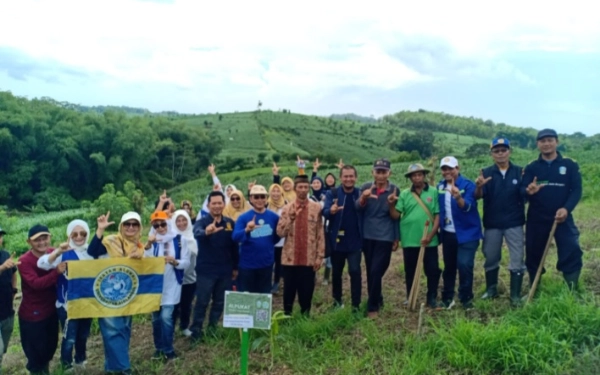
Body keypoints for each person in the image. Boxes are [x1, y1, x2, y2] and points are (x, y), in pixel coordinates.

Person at [521, 129, 583, 290]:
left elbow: (576, 190)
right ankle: (534, 287)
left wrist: (567, 209)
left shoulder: (569, 165)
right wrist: (529, 191)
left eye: (550, 140)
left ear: (557, 142)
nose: (546, 143)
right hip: (537, 217)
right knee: (533, 253)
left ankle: (572, 288)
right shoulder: (531, 167)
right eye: (542, 141)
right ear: (537, 144)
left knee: (571, 249)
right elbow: (522, 190)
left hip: (562, 216)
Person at [88, 211, 145, 375]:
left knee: (124, 329)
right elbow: (93, 251)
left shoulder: (139, 247)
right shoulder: (110, 241)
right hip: (107, 296)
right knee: (113, 330)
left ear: (139, 227)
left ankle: (112, 368)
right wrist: (100, 230)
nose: (131, 227)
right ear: (121, 226)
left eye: (135, 224)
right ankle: (124, 369)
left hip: (127, 296)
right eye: (127, 224)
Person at [37, 220, 95, 370]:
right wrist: (57, 253)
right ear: (69, 235)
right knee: (69, 337)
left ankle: (80, 360)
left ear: (87, 234)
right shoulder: (64, 253)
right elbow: (42, 263)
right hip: (67, 304)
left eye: (82, 233)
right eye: (74, 234)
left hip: (87, 302)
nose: (78, 237)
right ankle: (66, 364)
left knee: (83, 335)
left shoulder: (91, 252)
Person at [475, 138, 526, 305]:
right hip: (492, 223)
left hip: (514, 222)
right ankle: (491, 290)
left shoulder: (520, 172)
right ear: (492, 154)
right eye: (496, 151)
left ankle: (515, 295)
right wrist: (479, 186)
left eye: (503, 150)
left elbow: (524, 195)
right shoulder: (486, 172)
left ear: (509, 151)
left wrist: (530, 190)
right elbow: (478, 196)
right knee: (491, 256)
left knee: (517, 257)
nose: (500, 153)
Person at [389, 164, 442, 309]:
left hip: (429, 240)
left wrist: (430, 236)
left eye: (419, 174)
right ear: (410, 178)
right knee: (410, 271)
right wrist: (391, 205)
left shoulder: (434, 192)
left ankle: (431, 298)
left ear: (424, 175)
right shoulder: (405, 194)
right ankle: (410, 296)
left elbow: (437, 216)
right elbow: (395, 215)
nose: (417, 177)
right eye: (414, 175)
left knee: (432, 270)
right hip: (409, 239)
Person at [191, 191, 239, 343]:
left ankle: (212, 328)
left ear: (224, 204)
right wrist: (207, 232)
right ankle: (196, 331)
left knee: (219, 301)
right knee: (202, 302)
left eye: (220, 203)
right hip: (206, 270)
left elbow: (234, 247)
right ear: (208, 205)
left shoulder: (230, 223)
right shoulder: (202, 222)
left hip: (225, 270)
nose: (217, 206)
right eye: (214, 203)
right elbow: (196, 233)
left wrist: (235, 267)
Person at [357, 158, 400, 319]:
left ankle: (372, 306)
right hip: (367, 235)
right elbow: (357, 208)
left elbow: (396, 216)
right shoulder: (365, 188)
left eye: (384, 172)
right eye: (378, 171)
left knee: (377, 270)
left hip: (385, 236)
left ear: (389, 173)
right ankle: (376, 299)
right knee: (370, 270)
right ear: (372, 172)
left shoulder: (394, 189)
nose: (381, 175)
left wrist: (396, 236)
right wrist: (363, 198)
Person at [437, 156, 483, 310]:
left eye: (451, 168)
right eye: (444, 169)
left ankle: (466, 297)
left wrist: (458, 198)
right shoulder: (440, 186)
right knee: (449, 266)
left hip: (468, 233)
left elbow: (468, 206)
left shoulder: (467, 185)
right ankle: (447, 297)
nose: (447, 172)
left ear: (458, 168)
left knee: (464, 264)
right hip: (448, 234)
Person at [276, 175, 325, 316]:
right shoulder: (286, 208)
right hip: (290, 258)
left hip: (309, 258)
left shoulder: (316, 208)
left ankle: (305, 317)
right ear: (295, 189)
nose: (303, 190)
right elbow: (280, 233)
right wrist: (290, 220)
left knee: (307, 291)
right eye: (300, 187)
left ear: (308, 188)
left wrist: (319, 256)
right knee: (289, 291)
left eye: (305, 187)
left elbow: (320, 233)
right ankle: (287, 316)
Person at [145, 210, 190, 361]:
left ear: (168, 223)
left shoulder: (179, 240)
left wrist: (174, 261)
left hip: (172, 285)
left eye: (163, 224)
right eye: (156, 225)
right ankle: (159, 349)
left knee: (166, 317)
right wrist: (149, 244)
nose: (160, 228)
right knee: (156, 319)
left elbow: (186, 262)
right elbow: (146, 262)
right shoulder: (152, 242)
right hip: (156, 286)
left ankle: (169, 351)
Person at [17, 225, 62, 375]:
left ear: (50, 237)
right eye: (37, 240)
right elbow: (36, 284)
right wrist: (57, 272)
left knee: (49, 348)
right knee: (36, 355)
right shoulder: (24, 261)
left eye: (45, 238)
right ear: (29, 241)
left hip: (51, 310)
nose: (42, 242)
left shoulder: (53, 253)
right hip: (33, 314)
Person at [323, 165, 362, 310]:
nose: (348, 179)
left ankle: (356, 304)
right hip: (337, 242)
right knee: (337, 273)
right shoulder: (332, 194)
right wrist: (331, 210)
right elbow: (325, 211)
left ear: (356, 177)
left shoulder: (360, 193)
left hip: (355, 241)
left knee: (355, 271)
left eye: (351, 176)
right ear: (341, 178)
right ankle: (337, 301)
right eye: (345, 176)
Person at [233, 185, 280, 293]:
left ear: (266, 198)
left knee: (263, 296)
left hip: (266, 264)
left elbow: (277, 236)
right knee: (247, 295)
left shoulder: (273, 217)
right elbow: (235, 237)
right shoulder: (244, 217)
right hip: (247, 265)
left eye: (262, 197)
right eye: (256, 197)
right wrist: (247, 230)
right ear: (251, 199)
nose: (260, 200)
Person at [172, 210, 198, 337]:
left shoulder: (193, 238)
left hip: (190, 277)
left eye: (184, 220)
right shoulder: (171, 238)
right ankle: (170, 327)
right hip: (174, 278)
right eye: (178, 220)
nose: (181, 223)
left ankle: (184, 326)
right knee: (173, 305)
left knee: (186, 304)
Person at [0, 227, 18, 374]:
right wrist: (1, 268)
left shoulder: (5, 255)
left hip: (7, 311)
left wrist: (14, 290)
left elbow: (13, 273)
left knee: (3, 348)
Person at [267, 184, 287, 294]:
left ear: (281, 192)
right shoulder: (266, 204)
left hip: (281, 238)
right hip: (268, 237)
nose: (275, 193)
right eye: (273, 191)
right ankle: (267, 282)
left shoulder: (286, 205)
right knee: (269, 261)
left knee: (279, 261)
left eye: (277, 191)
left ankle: (276, 282)